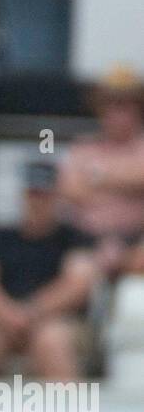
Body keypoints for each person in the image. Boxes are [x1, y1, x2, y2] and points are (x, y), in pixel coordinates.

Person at [0, 161, 94, 380]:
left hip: (57, 319)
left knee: (52, 341)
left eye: (44, 194)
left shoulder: (74, 238)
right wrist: (8, 314)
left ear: (56, 196)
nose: (37, 201)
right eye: (33, 193)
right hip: (1, 319)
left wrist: (32, 312)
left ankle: (66, 410)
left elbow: (77, 285)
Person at [58, 64, 144, 279]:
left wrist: (98, 177)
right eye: (111, 105)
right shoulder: (83, 147)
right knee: (71, 268)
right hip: (86, 241)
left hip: (136, 240)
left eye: (125, 105)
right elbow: (70, 189)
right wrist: (128, 190)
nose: (118, 114)